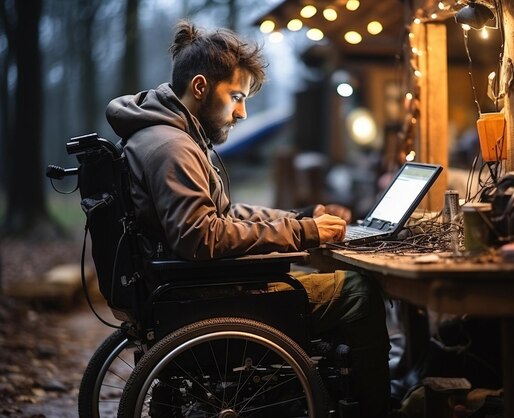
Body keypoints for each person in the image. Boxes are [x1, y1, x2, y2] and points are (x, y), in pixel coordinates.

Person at [105, 20, 392, 417]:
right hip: (205, 296)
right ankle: (374, 408)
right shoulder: (173, 146)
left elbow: (225, 213)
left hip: (185, 289)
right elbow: (201, 235)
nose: (242, 112)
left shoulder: (167, 136)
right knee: (358, 289)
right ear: (201, 87)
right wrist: (302, 233)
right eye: (236, 96)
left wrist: (301, 220)